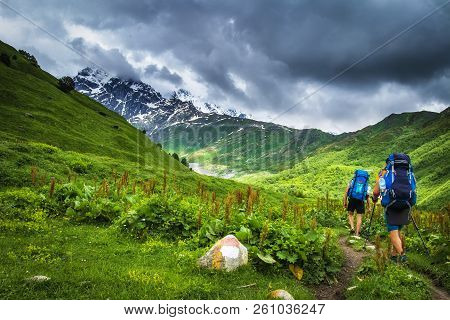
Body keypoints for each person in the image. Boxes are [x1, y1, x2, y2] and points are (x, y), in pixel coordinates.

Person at [371, 153, 416, 263]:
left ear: (389, 163)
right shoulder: (408, 173)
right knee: (398, 229)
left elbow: (376, 191)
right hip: (406, 204)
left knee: (393, 231)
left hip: (391, 204)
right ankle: (394, 255)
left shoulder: (385, 173)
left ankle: (402, 256)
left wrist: (374, 198)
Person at [343, 170, 370, 236]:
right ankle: (357, 233)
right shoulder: (366, 184)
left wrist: (345, 201)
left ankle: (352, 227)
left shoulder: (352, 181)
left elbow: (346, 192)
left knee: (350, 214)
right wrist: (369, 206)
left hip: (352, 199)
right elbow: (367, 196)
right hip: (361, 200)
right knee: (359, 216)